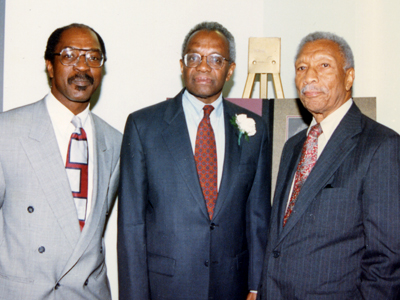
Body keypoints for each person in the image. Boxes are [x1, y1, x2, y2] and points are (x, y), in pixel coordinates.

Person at [118, 21, 271, 300]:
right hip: (166, 287)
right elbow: (131, 225)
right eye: (194, 58)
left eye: (215, 59)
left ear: (230, 70)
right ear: (182, 65)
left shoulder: (255, 129)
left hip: (232, 286)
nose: (203, 66)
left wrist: (256, 285)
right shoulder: (143, 126)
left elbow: (257, 215)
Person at [258, 32, 400, 299]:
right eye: (301, 68)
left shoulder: (381, 145)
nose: (309, 76)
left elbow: (388, 259)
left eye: (324, 65)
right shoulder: (293, 146)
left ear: (349, 77)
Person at [0, 23, 121, 299]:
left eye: (93, 57)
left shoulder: (114, 142)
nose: (83, 67)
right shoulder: (7, 131)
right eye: (69, 55)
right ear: (50, 66)